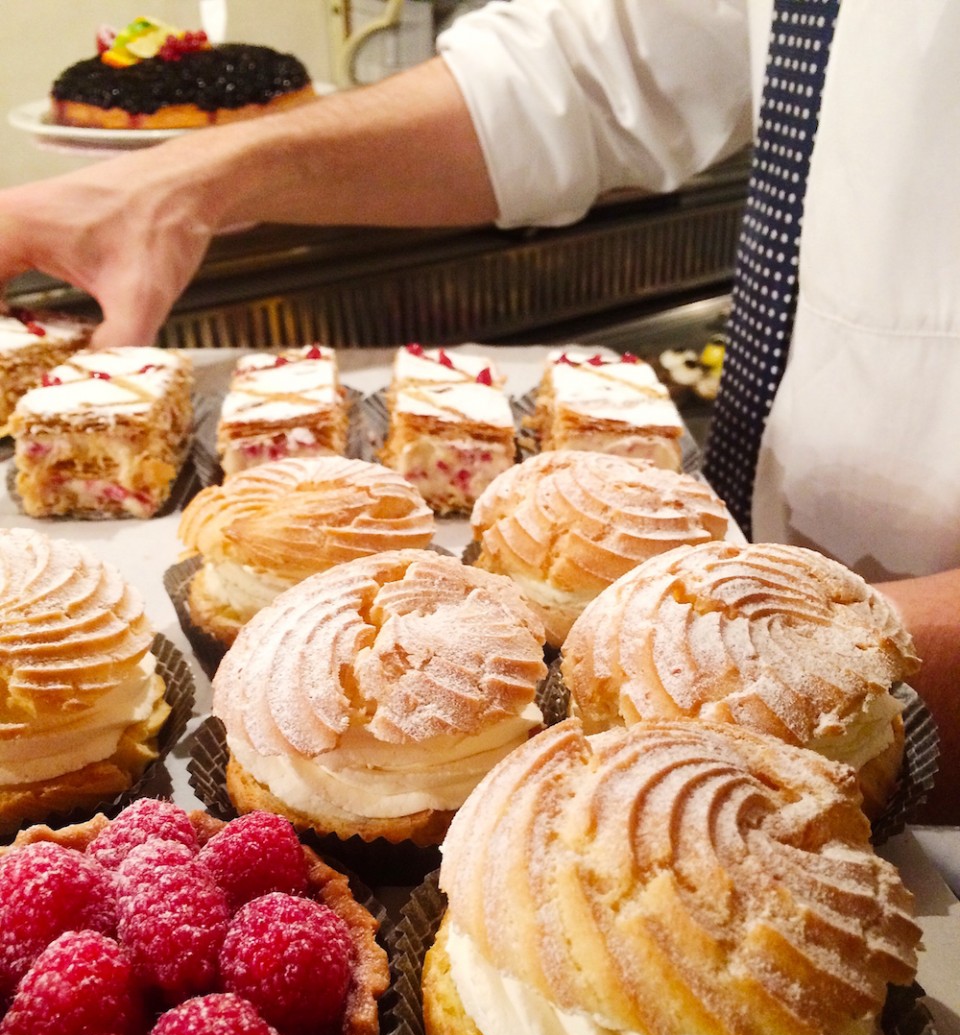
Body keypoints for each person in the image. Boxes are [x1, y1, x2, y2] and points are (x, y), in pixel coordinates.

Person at [1, 0, 957, 822]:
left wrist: (785, 669)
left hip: (879, 694)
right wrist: (191, 179)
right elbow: (588, 72)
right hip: (746, 596)